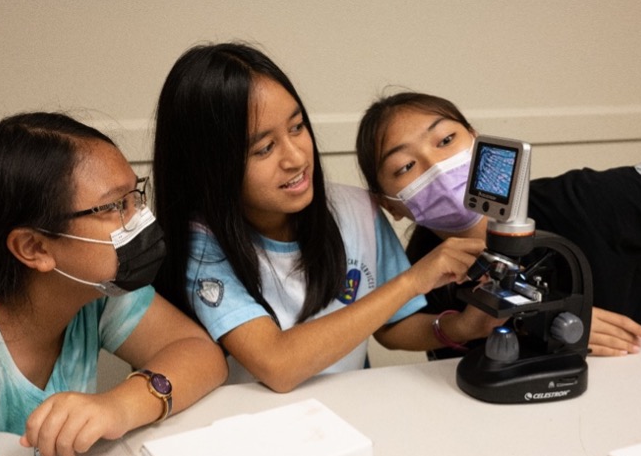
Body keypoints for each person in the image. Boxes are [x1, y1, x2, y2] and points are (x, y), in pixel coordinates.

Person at [152, 42, 503, 393]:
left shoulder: (357, 209)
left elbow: (394, 325)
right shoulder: (201, 245)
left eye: (297, 127)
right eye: (264, 148)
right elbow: (278, 366)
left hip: (346, 418)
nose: (295, 158)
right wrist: (412, 280)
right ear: (209, 167)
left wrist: (462, 328)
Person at [0, 112, 228, 456]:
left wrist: (120, 405)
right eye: (116, 206)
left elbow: (199, 352)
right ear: (33, 247)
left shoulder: (93, 292)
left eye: (136, 195)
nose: (142, 218)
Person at [356, 91, 641, 360]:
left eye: (447, 140)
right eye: (405, 167)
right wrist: (460, 326)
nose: (437, 166)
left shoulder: (584, 201)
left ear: (479, 142)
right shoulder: (423, 266)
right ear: (389, 204)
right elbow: (390, 328)